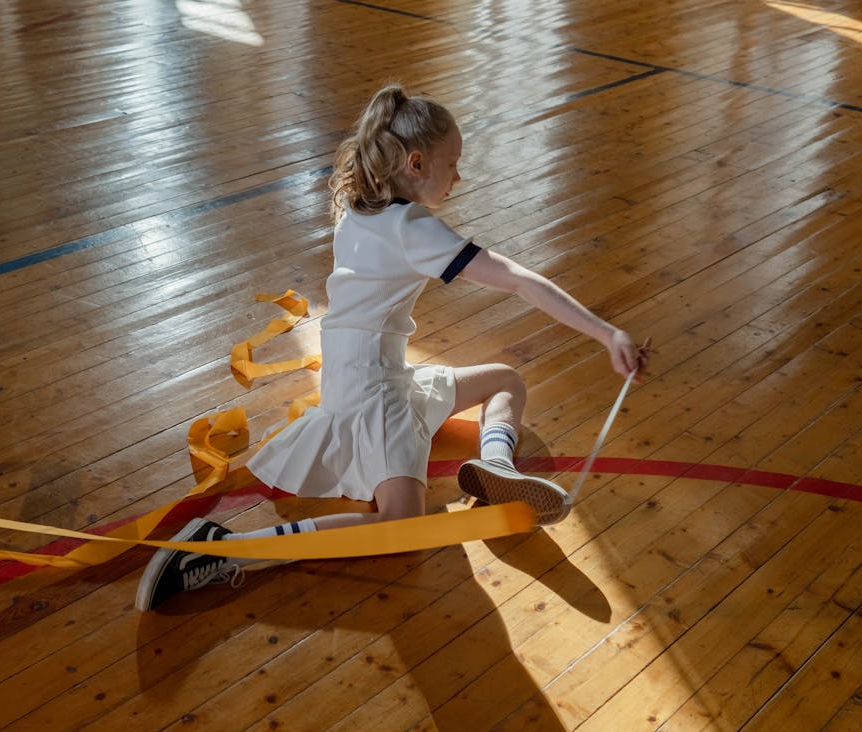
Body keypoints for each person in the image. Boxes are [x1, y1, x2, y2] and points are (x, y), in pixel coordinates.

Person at [135, 84, 649, 611]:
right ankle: (225, 551)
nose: (459, 177)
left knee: (505, 381)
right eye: (454, 164)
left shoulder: (361, 208)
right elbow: (517, 279)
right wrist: (608, 333)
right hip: (375, 392)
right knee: (398, 522)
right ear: (417, 162)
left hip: (366, 376)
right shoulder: (411, 226)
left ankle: (498, 466)